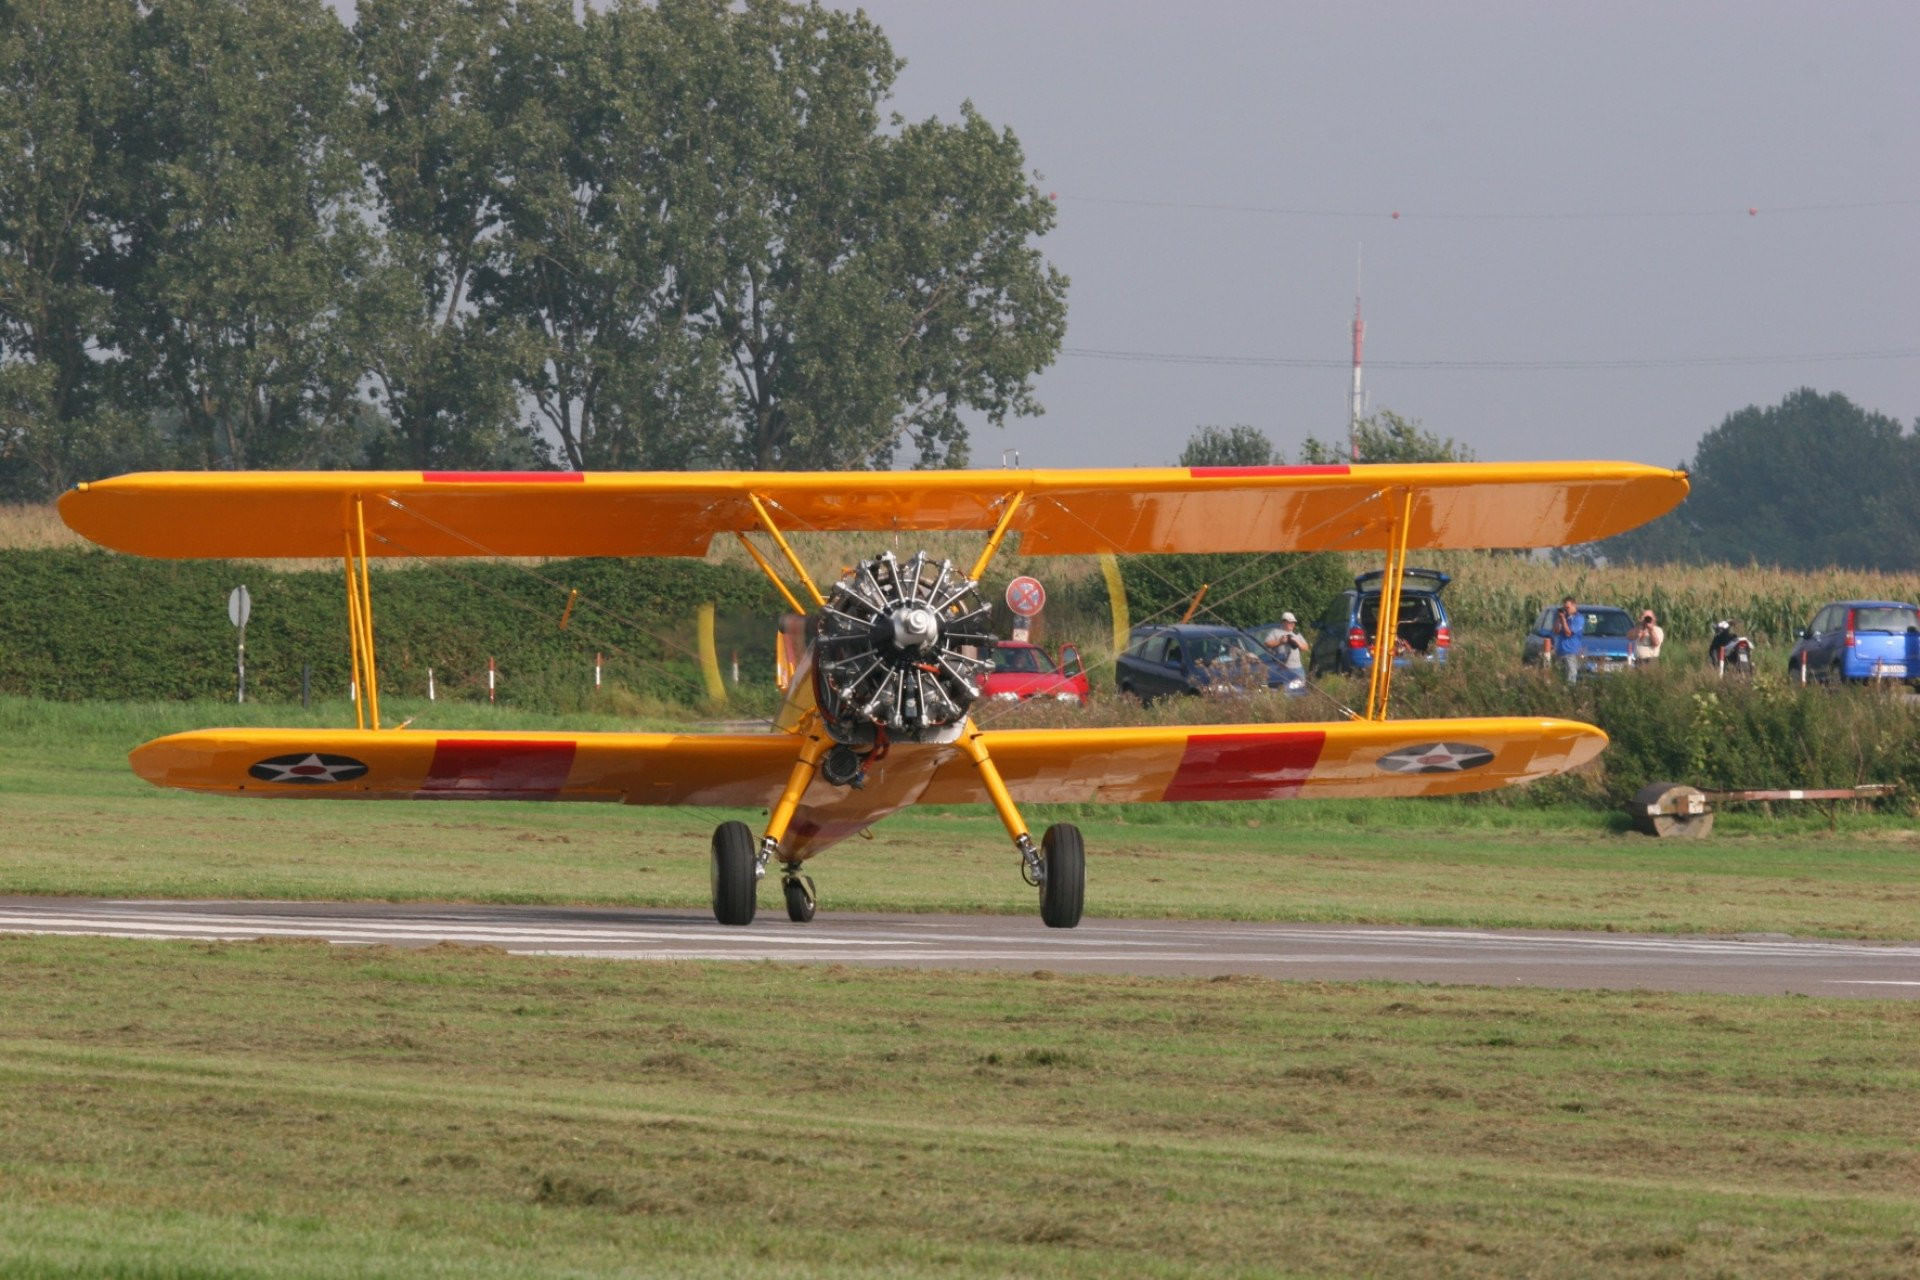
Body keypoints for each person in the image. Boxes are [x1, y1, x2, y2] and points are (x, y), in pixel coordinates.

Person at [1262, 612, 1311, 676]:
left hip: (1298, 668)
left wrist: (1297, 642)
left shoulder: (1296, 633)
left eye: (1293, 622)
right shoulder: (1275, 632)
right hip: (1282, 669)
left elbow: (1306, 648)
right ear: (1283, 622)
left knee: (1301, 685)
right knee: (1283, 686)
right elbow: (1266, 644)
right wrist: (1280, 642)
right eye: (1290, 622)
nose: (1292, 624)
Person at [1549, 596, 1583, 684]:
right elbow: (1556, 631)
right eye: (1565, 608)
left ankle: (1569, 693)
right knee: (1558, 677)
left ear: (1574, 605)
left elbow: (1568, 633)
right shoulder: (1565, 618)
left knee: (1570, 677)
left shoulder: (1578, 618)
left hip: (1571, 652)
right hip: (1560, 652)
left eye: (1567, 608)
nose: (1566, 610)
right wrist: (1559, 618)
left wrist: (1563, 619)